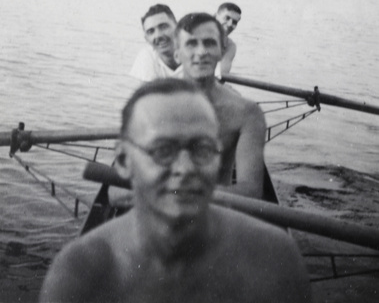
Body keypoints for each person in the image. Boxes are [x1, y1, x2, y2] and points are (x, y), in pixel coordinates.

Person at [40, 79, 312, 303]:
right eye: (162, 151)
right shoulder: (80, 270)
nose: (185, 168)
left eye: (202, 149)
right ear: (123, 161)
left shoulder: (277, 259)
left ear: (220, 158)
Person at [174, 12, 266, 199]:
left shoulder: (247, 113)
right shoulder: (150, 107)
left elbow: (252, 191)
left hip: (214, 214)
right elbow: (116, 192)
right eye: (191, 44)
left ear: (221, 51)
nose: (201, 52)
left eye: (209, 43)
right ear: (177, 54)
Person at [129, 3, 180, 81]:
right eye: (151, 31)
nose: (158, 35)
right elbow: (146, 92)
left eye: (163, 27)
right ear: (147, 39)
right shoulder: (147, 56)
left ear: (178, 28)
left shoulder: (195, 52)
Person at [215, 2, 242, 74]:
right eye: (227, 18)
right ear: (215, 16)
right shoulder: (193, 33)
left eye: (234, 22)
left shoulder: (230, 46)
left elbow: (221, 75)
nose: (230, 24)